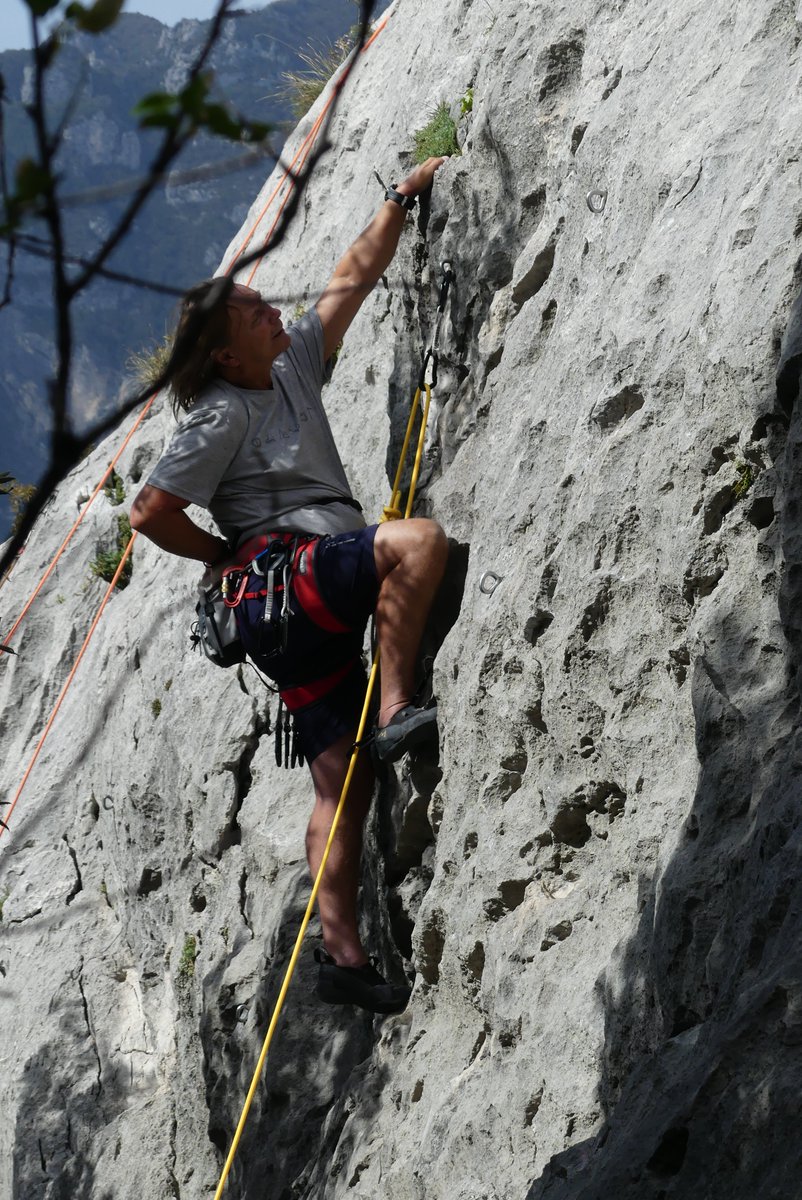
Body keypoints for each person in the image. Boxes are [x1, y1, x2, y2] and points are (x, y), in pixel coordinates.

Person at [131, 156, 449, 1014]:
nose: (273, 310)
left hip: (283, 614)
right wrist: (217, 555)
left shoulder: (290, 363)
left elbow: (350, 277)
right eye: (252, 311)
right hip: (293, 577)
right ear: (223, 351)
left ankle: (341, 952)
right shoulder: (220, 414)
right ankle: (397, 711)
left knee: (335, 780)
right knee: (416, 544)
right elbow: (149, 511)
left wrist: (396, 201)